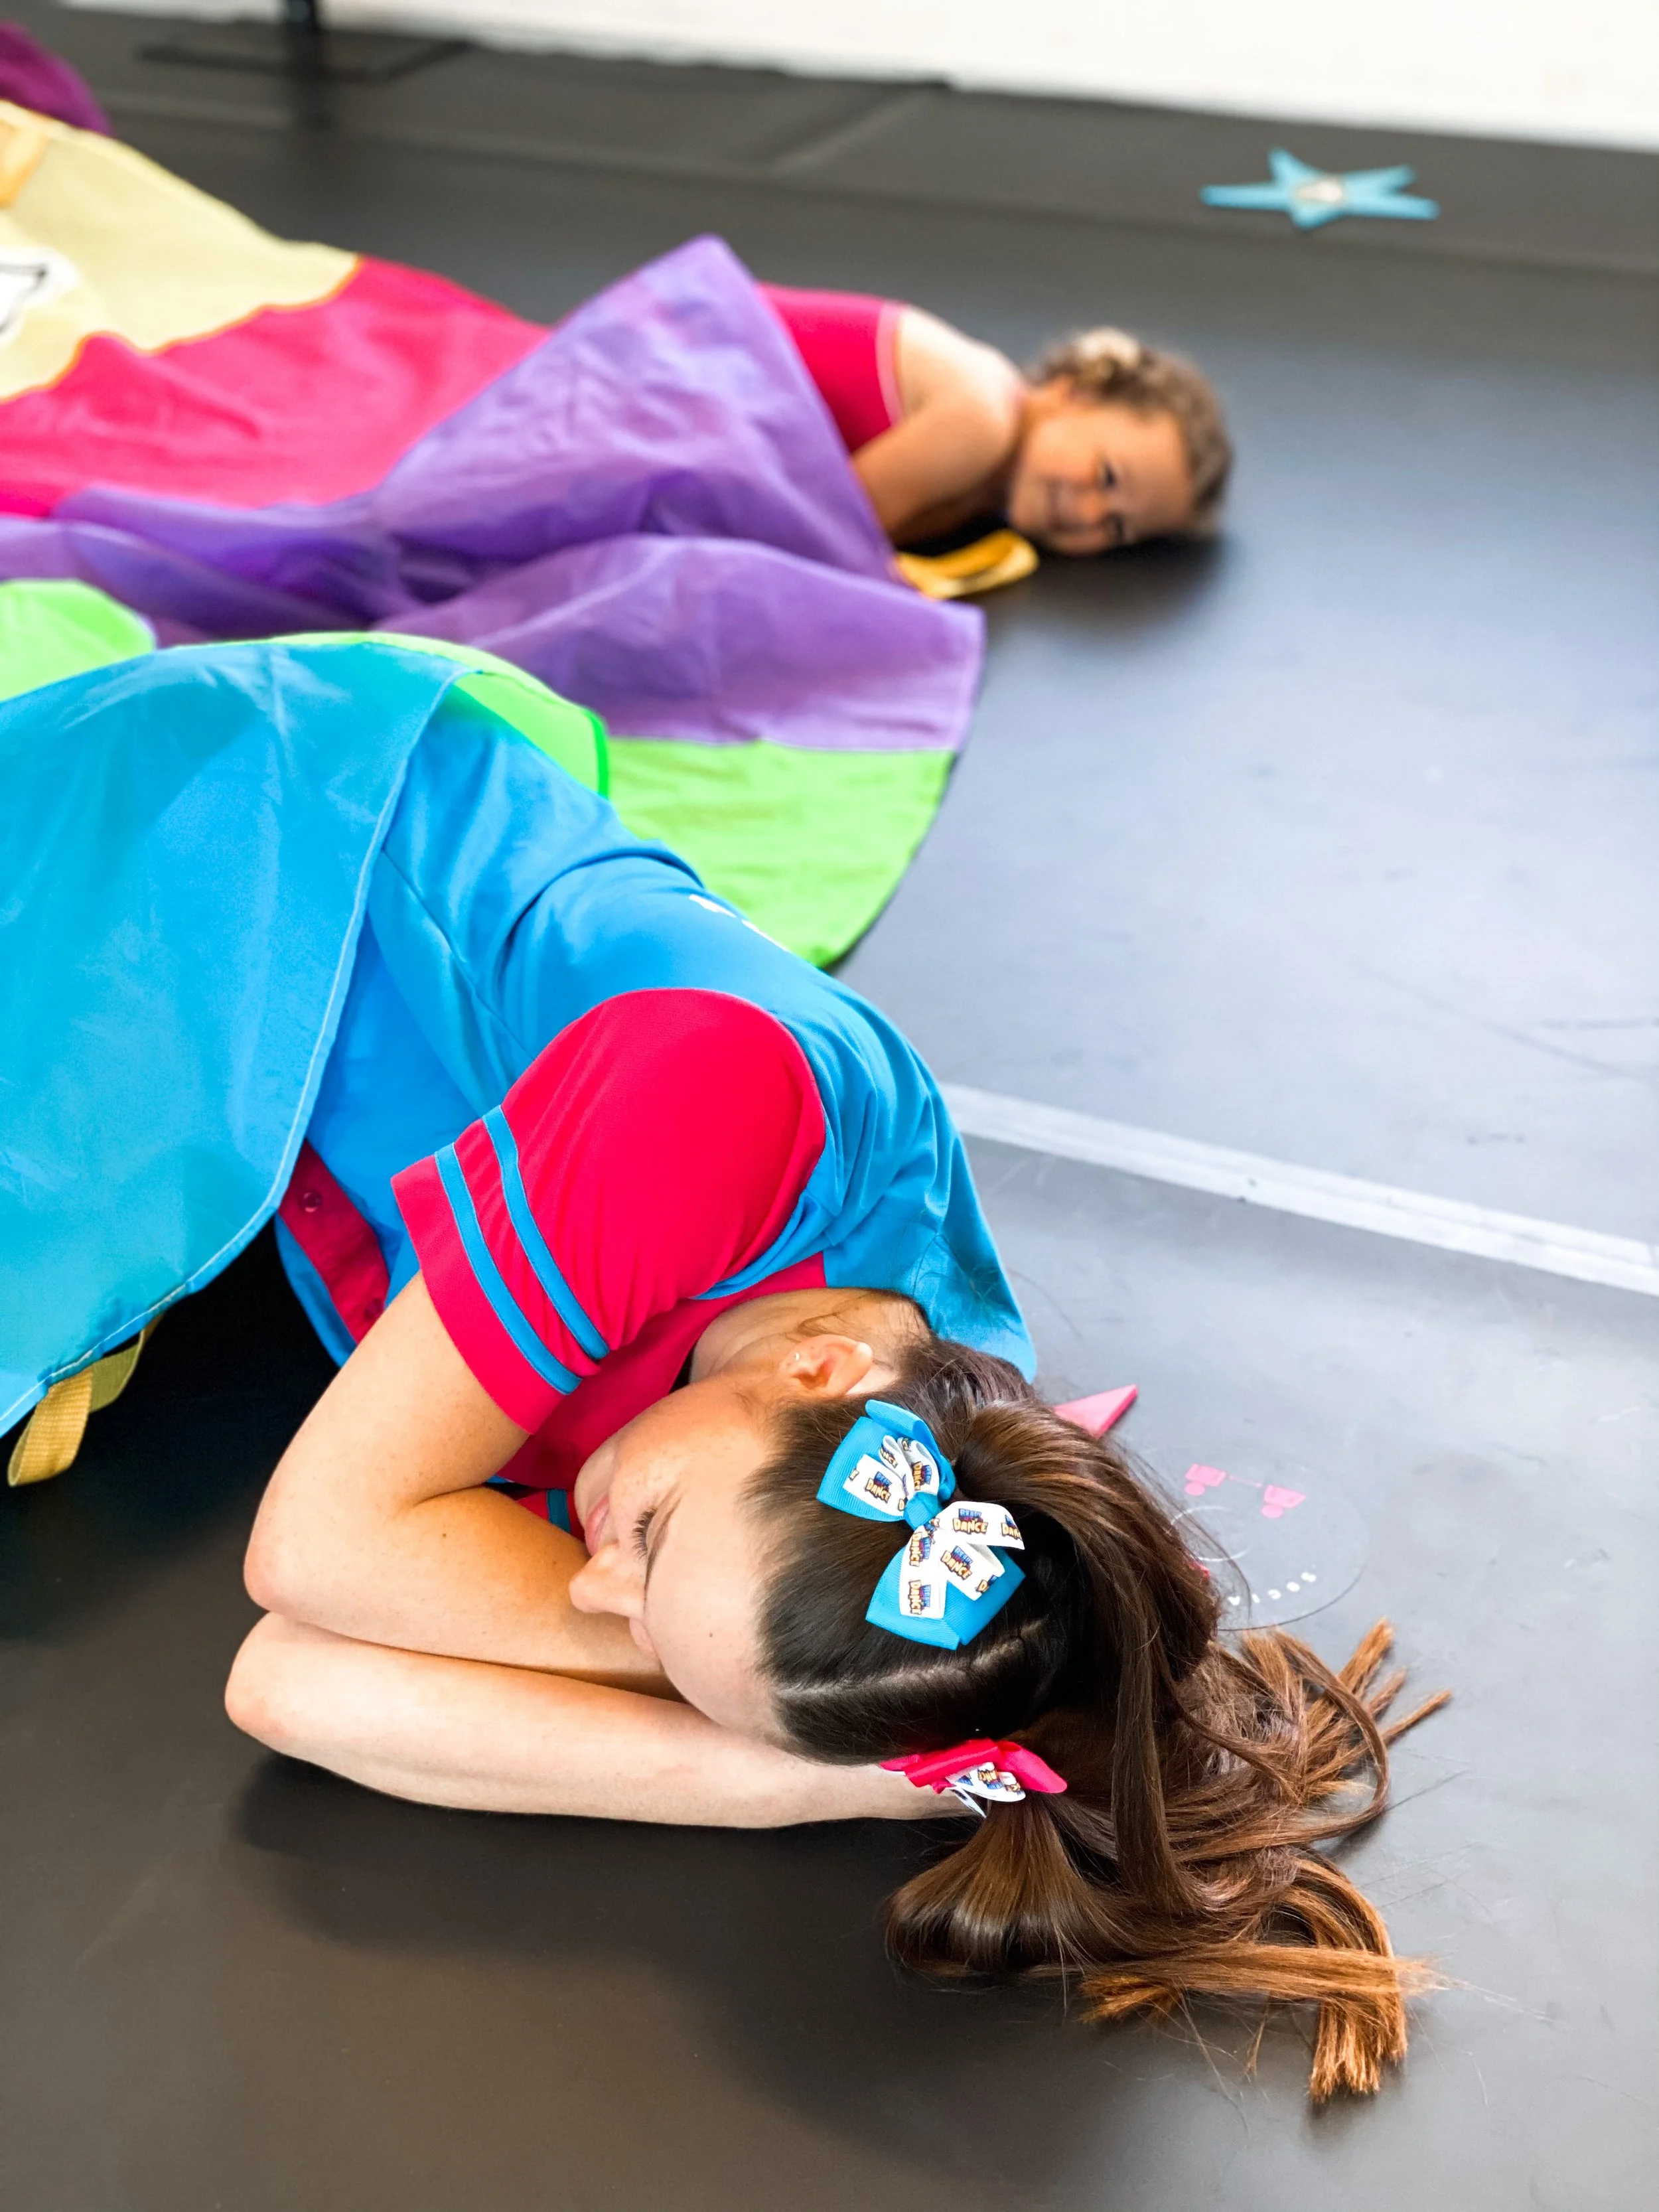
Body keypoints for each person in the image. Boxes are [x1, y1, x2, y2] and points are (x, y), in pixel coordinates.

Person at [216, 651, 1441, 2106]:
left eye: (640, 1592)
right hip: (256, 847)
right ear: (812, 1365)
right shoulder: (711, 1120)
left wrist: (808, 1769)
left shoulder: (885, 1473)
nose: (591, 1588)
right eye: (648, 1543)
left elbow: (288, 1683)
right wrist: (698, 1673)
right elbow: (311, 1559)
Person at [761, 285, 1232, 555]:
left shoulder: (984, 494)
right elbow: (822, 530)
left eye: (1116, 528)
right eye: (1107, 477)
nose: (1088, 513)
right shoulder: (984, 415)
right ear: (1076, 389)